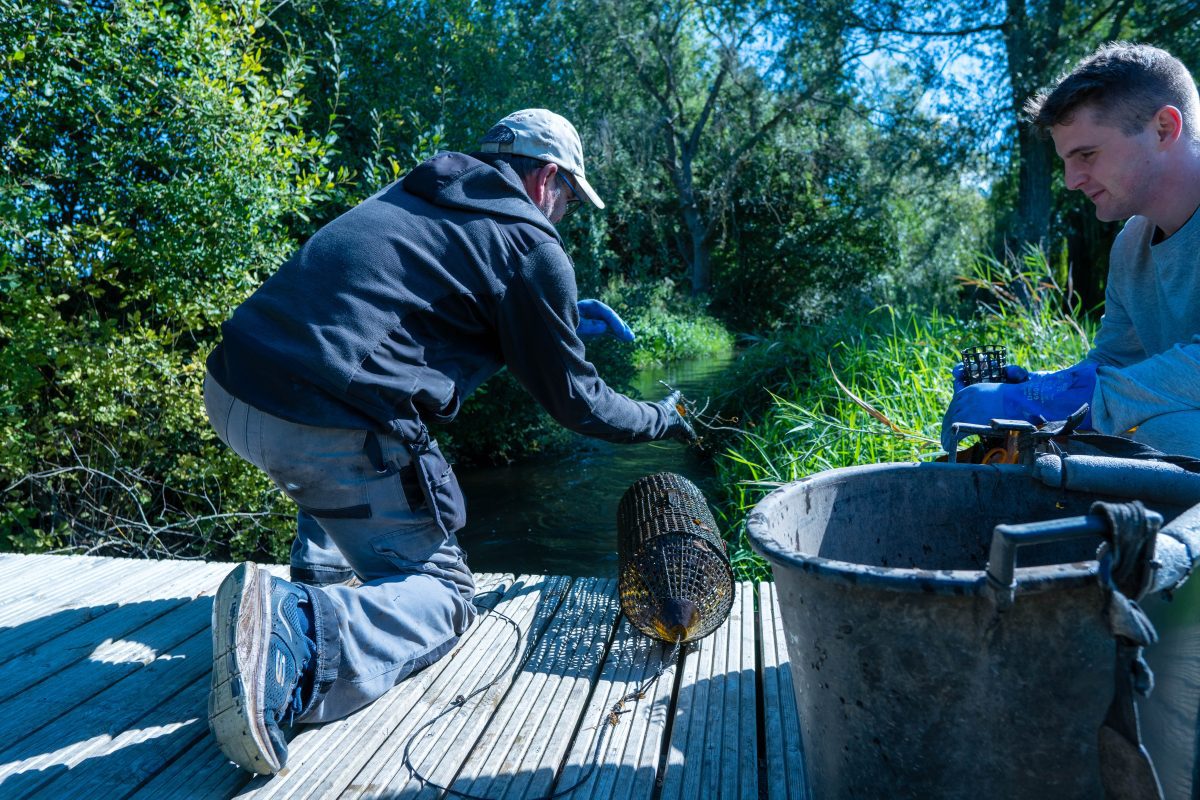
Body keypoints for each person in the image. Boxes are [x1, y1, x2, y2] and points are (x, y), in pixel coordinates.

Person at [203, 108, 695, 775]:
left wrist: (557, 318)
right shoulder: (531, 246)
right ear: (547, 177)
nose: (565, 215)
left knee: (350, 434)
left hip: (233, 389)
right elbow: (580, 405)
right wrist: (662, 419)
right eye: (570, 201)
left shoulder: (416, 193)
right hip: (320, 420)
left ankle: (319, 576)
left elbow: (386, 305)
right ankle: (302, 632)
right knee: (441, 591)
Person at [942, 43, 1200, 459]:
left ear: (1164, 128)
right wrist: (1040, 387)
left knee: (1165, 433)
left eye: (1087, 155)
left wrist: (1053, 402)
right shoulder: (1131, 246)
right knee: (1102, 437)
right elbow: (1116, 361)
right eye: (1066, 159)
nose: (1071, 180)